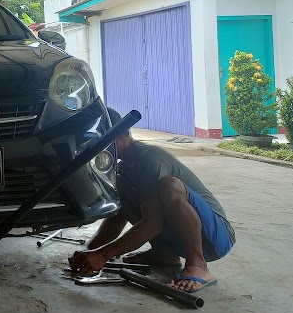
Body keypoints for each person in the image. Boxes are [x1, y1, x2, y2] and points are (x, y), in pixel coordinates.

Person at [69, 109, 235, 293]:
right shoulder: (124, 169)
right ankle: (164, 255)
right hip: (180, 240)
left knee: (169, 186)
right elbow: (118, 217)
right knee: (123, 193)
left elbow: (153, 223)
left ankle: (198, 264)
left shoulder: (151, 159)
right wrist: (91, 250)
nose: (97, 149)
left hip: (216, 237)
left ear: (122, 135)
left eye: (101, 143)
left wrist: (103, 255)